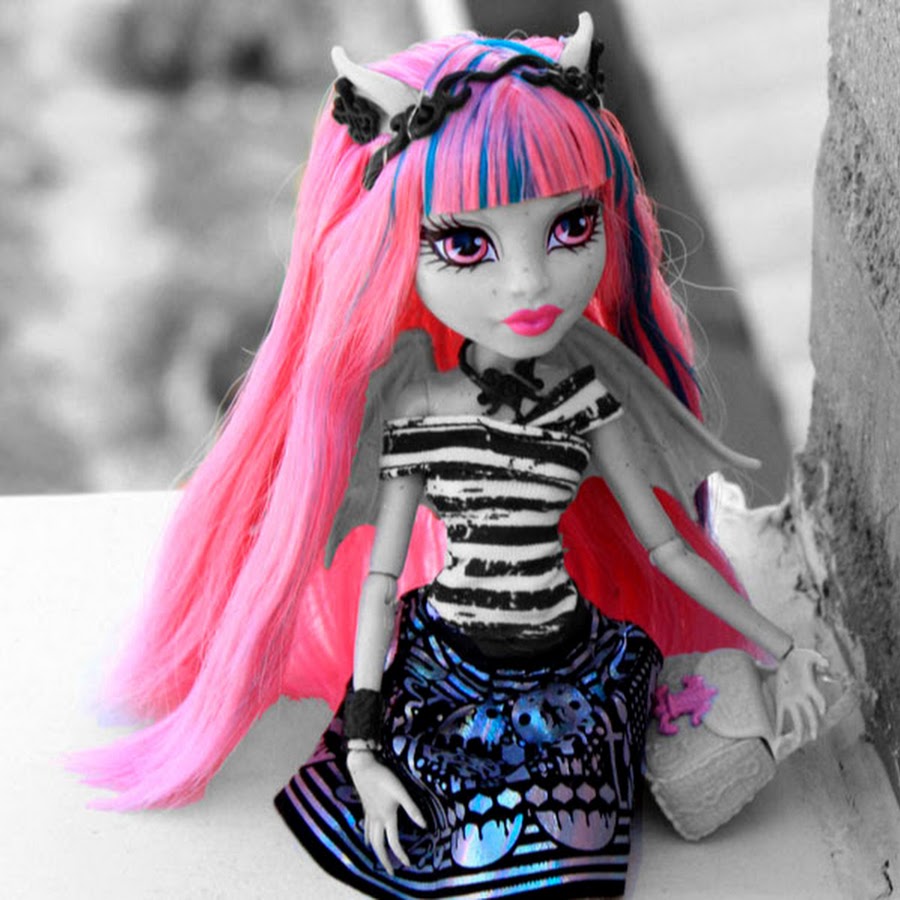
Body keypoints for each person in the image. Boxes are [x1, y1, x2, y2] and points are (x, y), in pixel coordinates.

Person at [73, 14, 827, 899]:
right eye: (467, 244)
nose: (529, 283)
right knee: (456, 837)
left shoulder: (588, 396)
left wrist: (778, 647)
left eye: (571, 226)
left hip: (572, 660)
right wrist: (362, 744)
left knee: (574, 850)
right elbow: (379, 581)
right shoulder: (418, 406)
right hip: (448, 666)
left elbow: (665, 547)